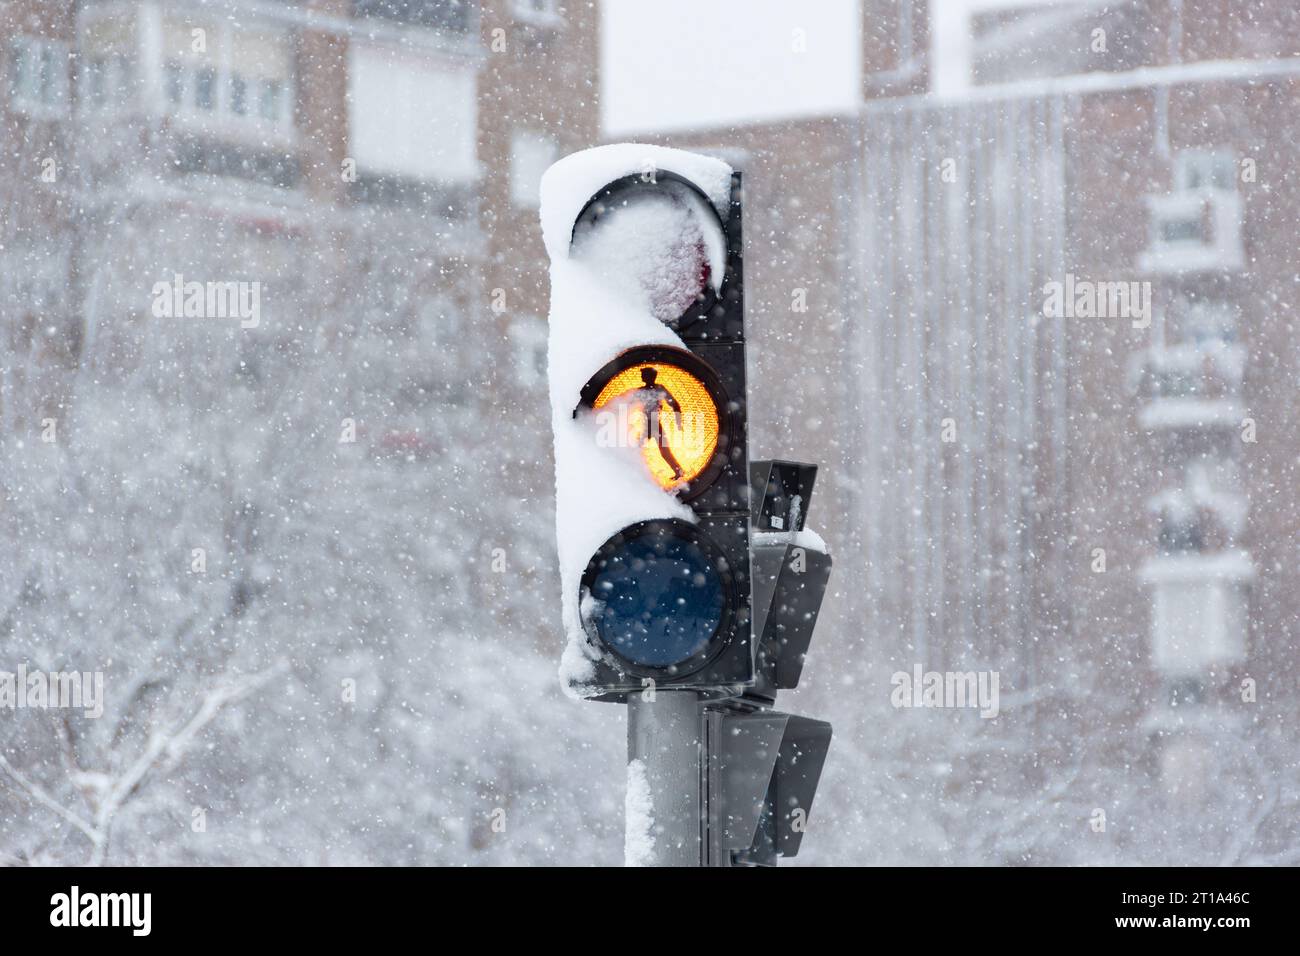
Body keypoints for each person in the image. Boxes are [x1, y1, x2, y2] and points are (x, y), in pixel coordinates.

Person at [629, 366, 684, 480]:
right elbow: (628, 404)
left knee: (641, 449)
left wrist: (679, 422)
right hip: (650, 423)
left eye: (644, 375)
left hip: (653, 423)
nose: (641, 376)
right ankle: (678, 471)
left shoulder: (657, 389)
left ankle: (678, 472)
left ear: (650, 377)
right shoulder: (645, 390)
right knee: (660, 450)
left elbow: (675, 405)